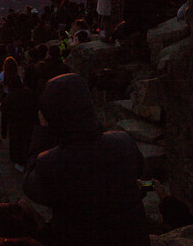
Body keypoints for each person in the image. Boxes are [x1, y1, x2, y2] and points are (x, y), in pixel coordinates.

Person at [23, 73, 150, 246]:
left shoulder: (51, 164)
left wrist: (43, 131)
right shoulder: (123, 142)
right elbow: (137, 171)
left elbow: (29, 186)